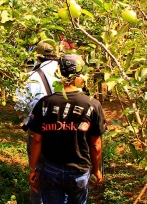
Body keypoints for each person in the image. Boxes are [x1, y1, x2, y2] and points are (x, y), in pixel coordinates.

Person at [27, 54, 106, 204]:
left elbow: (37, 140)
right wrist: (96, 170)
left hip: (50, 169)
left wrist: (33, 169)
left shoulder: (45, 103)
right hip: (79, 171)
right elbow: (95, 144)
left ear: (58, 72)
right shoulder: (92, 104)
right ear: (81, 74)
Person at [15, 39, 60, 204]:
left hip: (38, 131)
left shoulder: (30, 77)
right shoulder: (68, 75)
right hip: (66, 130)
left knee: (37, 173)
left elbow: (21, 108)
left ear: (38, 57)